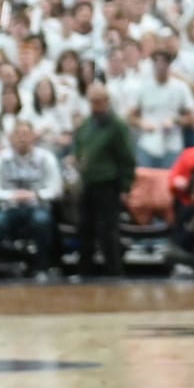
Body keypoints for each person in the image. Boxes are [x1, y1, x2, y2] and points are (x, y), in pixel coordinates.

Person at [71, 83, 136, 277]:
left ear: (107, 101)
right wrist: (78, 158)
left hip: (108, 183)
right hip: (88, 182)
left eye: (99, 101)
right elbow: (79, 144)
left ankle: (114, 272)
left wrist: (126, 186)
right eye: (92, 101)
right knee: (84, 228)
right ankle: (85, 271)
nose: (95, 105)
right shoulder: (87, 123)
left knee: (107, 230)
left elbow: (127, 158)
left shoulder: (117, 125)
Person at [0, 121, 63, 274]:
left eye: (26, 134)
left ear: (33, 137)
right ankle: (2, 265)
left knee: (42, 221)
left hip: (37, 206)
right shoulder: (0, 158)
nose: (22, 138)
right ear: (11, 138)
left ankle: (42, 266)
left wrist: (36, 195)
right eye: (18, 134)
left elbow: (56, 189)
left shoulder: (46, 158)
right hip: (10, 207)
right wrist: (12, 195)